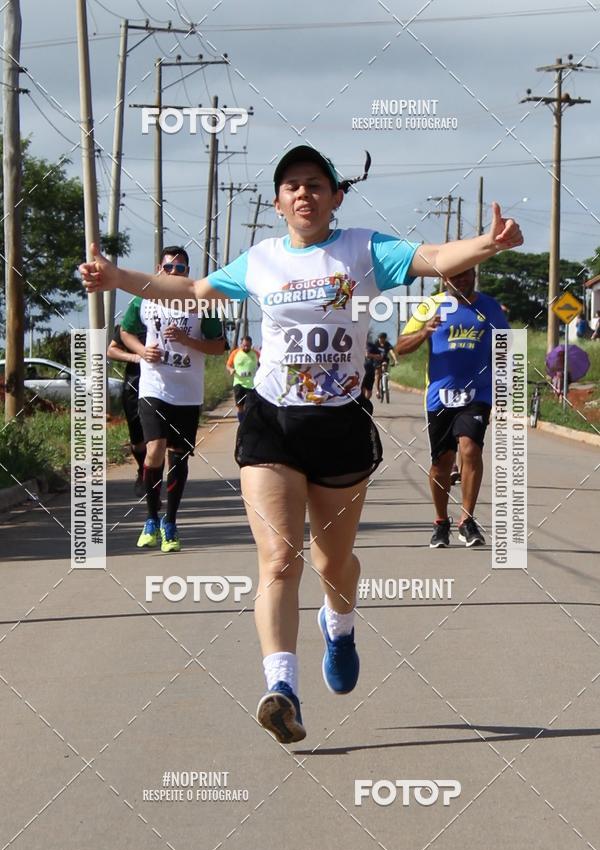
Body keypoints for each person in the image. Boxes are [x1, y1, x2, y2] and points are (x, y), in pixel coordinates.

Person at [80, 145, 523, 742]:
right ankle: (281, 687)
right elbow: (192, 289)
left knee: (332, 562)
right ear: (278, 201)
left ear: (336, 196)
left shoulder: (364, 250)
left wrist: (489, 244)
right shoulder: (261, 260)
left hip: (339, 425)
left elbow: (437, 255)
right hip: (271, 422)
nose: (304, 193)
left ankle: (339, 626)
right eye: (292, 185)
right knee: (279, 559)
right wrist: (119, 278)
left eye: (316, 183)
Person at [119, 246, 225, 552]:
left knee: (178, 456)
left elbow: (218, 347)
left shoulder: (201, 303)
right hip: (154, 387)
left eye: (181, 269)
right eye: (169, 268)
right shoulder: (144, 298)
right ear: (159, 269)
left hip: (187, 391)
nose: (175, 273)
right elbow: (125, 332)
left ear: (187, 273)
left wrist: (188, 340)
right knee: (154, 450)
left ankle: (170, 522)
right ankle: (151, 519)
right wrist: (141, 352)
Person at [396, 267, 510, 550]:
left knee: (470, 448)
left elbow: (506, 347)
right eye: (454, 276)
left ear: (474, 275)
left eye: (465, 275)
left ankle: (467, 520)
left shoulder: (490, 307)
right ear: (444, 280)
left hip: (477, 393)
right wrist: (424, 331)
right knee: (442, 463)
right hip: (440, 397)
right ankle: (441, 521)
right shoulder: (430, 306)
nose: (461, 280)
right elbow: (400, 346)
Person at [107, 323, 146, 496]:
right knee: (138, 440)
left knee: (158, 438)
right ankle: (143, 470)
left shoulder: (170, 318)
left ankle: (153, 479)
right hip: (135, 384)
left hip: (164, 386)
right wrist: (135, 357)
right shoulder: (131, 322)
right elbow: (112, 350)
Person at [226, 334, 260, 421]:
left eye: (248, 346)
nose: (246, 347)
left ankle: (248, 423)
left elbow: (262, 364)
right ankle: (242, 423)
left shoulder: (256, 354)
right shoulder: (235, 353)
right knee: (240, 406)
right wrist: (231, 370)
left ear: (251, 344)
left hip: (252, 384)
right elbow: (228, 365)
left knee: (250, 406)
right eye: (244, 345)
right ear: (241, 344)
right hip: (239, 383)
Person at [373, 332, 397, 398]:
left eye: (382, 338)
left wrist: (395, 360)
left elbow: (391, 352)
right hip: (377, 360)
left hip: (384, 359)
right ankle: (378, 391)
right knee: (377, 374)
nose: (380, 340)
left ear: (385, 339)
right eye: (379, 338)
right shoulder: (376, 344)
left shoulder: (387, 344)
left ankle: (385, 379)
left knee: (385, 366)